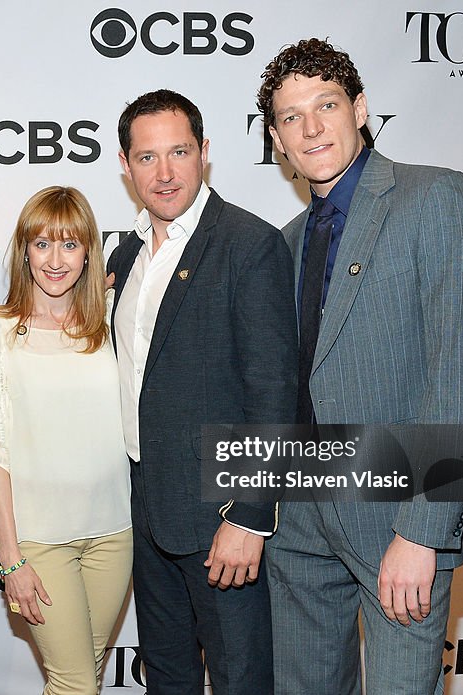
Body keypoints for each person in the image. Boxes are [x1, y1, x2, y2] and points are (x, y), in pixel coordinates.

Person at [256, 39, 463, 694]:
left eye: (326, 104)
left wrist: (423, 529)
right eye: (290, 117)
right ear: (278, 141)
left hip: (398, 516)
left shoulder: (436, 197)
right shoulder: (284, 244)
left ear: (360, 108)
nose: (311, 127)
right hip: (299, 520)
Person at [106, 89, 298, 694]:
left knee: (240, 678)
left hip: (220, 518)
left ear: (205, 154)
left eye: (179, 152)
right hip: (143, 509)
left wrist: (249, 515)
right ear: (124, 164)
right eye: (147, 157)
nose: (164, 173)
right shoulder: (127, 252)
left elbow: (273, 391)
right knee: (167, 676)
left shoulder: (249, 244)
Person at [0, 186, 132, 695]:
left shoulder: (107, 320)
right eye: (42, 244)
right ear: (24, 251)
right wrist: (11, 557)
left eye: (69, 244)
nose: (56, 259)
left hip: (114, 532)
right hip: (39, 541)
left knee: (84, 670)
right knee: (75, 683)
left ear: (89, 249)